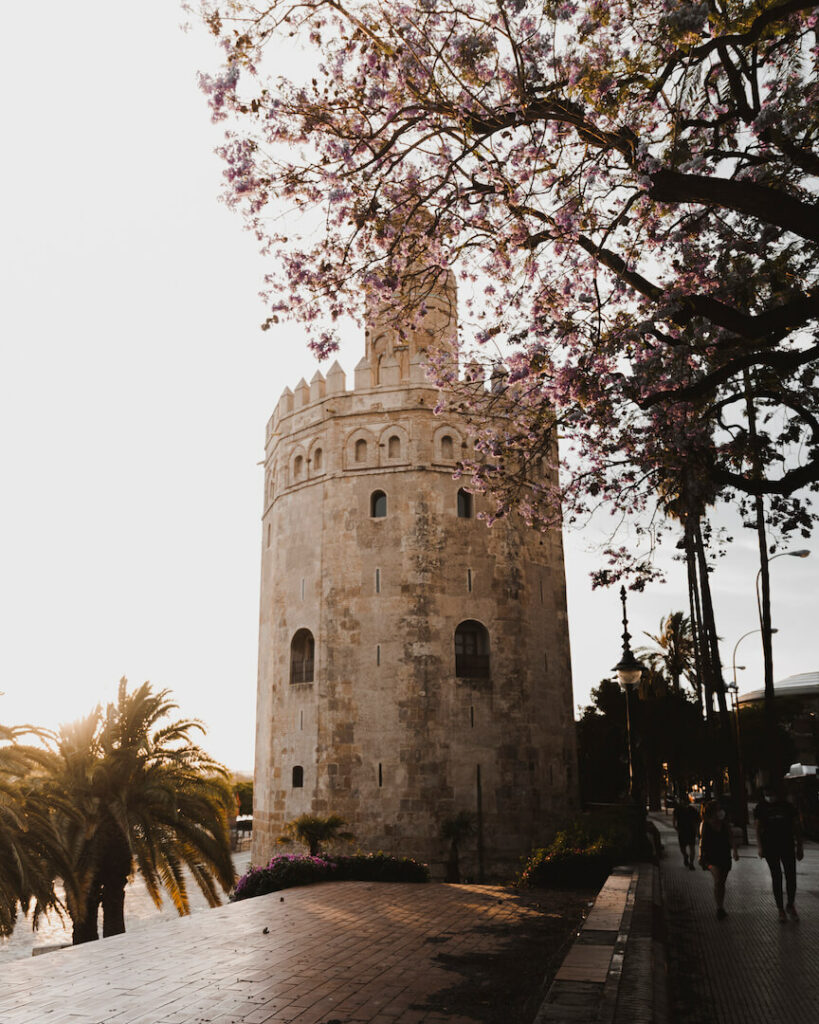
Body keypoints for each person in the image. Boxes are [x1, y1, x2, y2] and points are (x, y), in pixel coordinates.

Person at [754, 784, 804, 923]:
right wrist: (760, 847)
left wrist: (799, 846)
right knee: (776, 877)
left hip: (787, 845)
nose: (769, 796)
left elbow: (796, 826)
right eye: (766, 793)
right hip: (770, 847)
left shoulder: (787, 807)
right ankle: (781, 909)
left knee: (791, 876)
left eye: (770, 793)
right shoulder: (761, 807)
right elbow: (757, 828)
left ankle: (790, 904)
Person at [699, 800, 739, 919]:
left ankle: (721, 906)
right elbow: (702, 842)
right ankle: (719, 907)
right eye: (717, 809)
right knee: (717, 880)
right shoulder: (705, 824)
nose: (720, 811)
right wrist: (701, 856)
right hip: (711, 857)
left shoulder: (724, 824)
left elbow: (731, 838)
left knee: (722, 882)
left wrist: (735, 851)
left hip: (724, 856)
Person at [673, 795, 700, 870]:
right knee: (687, 848)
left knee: (687, 847)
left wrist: (675, 827)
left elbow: (674, 820)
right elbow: (697, 821)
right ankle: (688, 859)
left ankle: (689, 860)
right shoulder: (682, 809)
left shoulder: (687, 810)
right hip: (686, 830)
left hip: (686, 830)